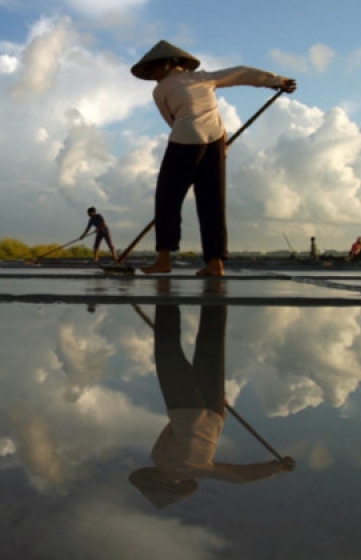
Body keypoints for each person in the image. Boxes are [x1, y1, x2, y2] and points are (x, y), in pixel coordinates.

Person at [131, 40, 297, 276]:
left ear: (168, 64)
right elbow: (241, 73)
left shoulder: (160, 91)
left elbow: (173, 121)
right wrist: (276, 81)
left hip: (186, 139)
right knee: (212, 202)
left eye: (154, 69)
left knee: (167, 198)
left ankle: (164, 259)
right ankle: (215, 262)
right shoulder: (204, 78)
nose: (153, 75)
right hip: (215, 141)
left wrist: (195, 140)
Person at [129, 304, 294, 507]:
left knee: (209, 344)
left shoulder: (194, 468)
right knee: (171, 349)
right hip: (188, 406)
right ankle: (171, 293)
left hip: (209, 409)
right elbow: (239, 476)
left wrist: (276, 468)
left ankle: (210, 289)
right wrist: (275, 468)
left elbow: (240, 476)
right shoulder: (167, 460)